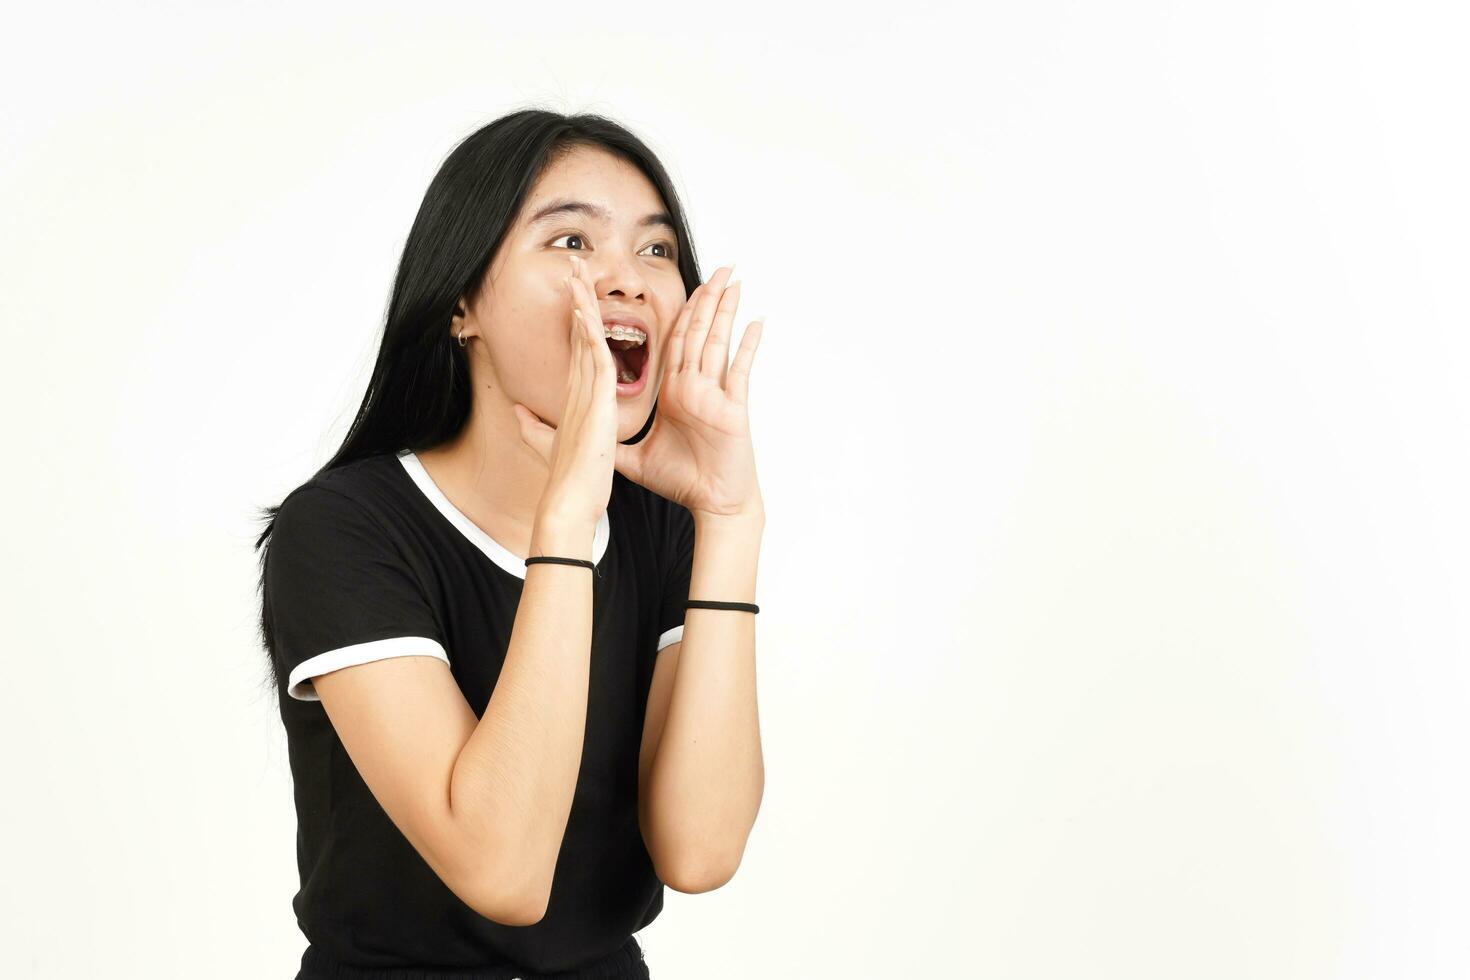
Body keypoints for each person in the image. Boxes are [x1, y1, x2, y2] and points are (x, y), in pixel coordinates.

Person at [253, 108, 767, 980]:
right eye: (572, 242)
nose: (629, 280)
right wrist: (564, 525)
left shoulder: (661, 523)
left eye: (655, 250)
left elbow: (700, 852)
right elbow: (502, 872)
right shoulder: (342, 529)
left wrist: (728, 517)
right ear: (462, 305)